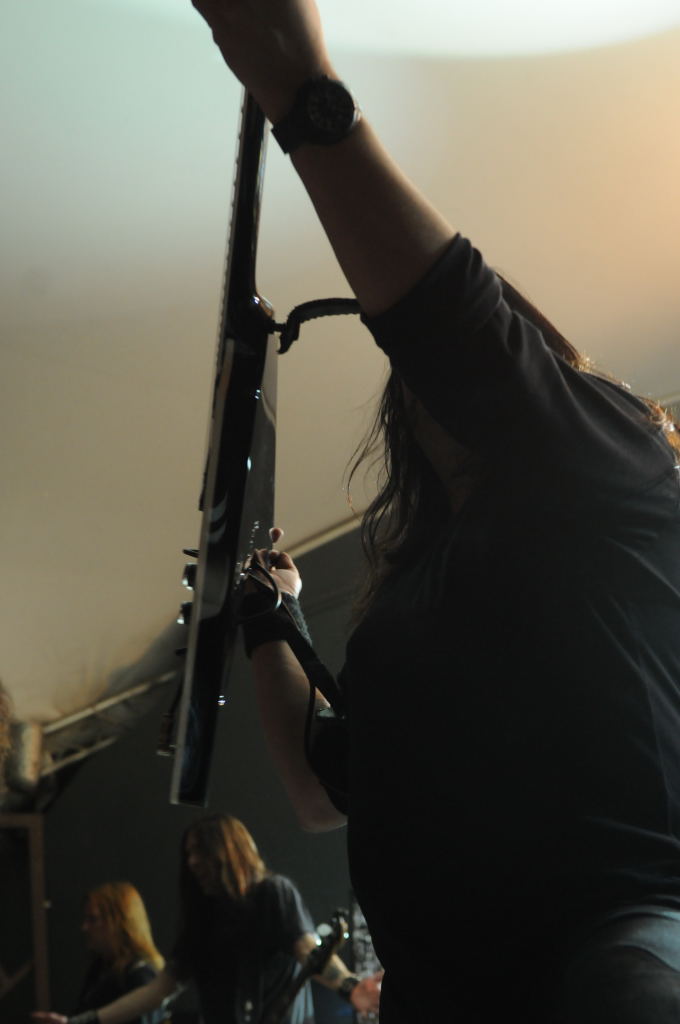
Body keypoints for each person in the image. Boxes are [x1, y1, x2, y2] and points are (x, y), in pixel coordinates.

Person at [187, 1, 680, 1022]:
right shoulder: (409, 605)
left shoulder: (611, 463)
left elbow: (458, 332)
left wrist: (305, 97)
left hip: (614, 951)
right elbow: (320, 791)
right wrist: (268, 618)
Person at [34, 815, 381, 1024]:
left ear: (226, 851)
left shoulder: (272, 893)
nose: (192, 862)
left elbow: (309, 952)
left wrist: (350, 987)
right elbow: (158, 990)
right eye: (188, 854)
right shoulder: (204, 915)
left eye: (199, 851)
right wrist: (80, 1021)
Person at [72, 882, 167, 1024]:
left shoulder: (140, 975)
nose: (84, 927)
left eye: (93, 919)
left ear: (118, 922)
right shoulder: (100, 967)